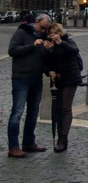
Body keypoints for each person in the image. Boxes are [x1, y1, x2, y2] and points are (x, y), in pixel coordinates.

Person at [7, 13, 53, 157]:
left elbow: (43, 59)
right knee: (17, 112)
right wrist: (32, 45)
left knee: (33, 113)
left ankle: (28, 143)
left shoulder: (44, 37)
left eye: (46, 29)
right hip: (21, 78)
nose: (44, 31)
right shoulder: (22, 32)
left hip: (36, 78)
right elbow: (12, 51)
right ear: (36, 22)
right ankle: (13, 147)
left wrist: (47, 50)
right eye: (42, 27)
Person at [44, 23, 83, 152]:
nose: (52, 36)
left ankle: (63, 137)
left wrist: (61, 43)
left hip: (70, 78)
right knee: (57, 109)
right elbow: (47, 63)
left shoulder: (68, 42)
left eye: (54, 33)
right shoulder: (50, 45)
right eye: (50, 34)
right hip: (58, 80)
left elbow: (74, 51)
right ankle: (59, 134)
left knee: (66, 108)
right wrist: (49, 70)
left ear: (59, 33)